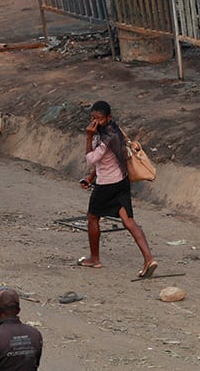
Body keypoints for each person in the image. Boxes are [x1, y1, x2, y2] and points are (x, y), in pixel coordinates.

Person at [78, 100, 158, 278]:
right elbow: (107, 162)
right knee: (128, 221)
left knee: (92, 217)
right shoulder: (115, 130)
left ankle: (94, 258)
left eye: (98, 118)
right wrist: (91, 177)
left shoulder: (107, 137)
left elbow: (91, 158)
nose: (95, 122)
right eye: (93, 118)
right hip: (121, 182)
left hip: (107, 185)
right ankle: (149, 259)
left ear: (108, 117)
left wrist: (88, 137)